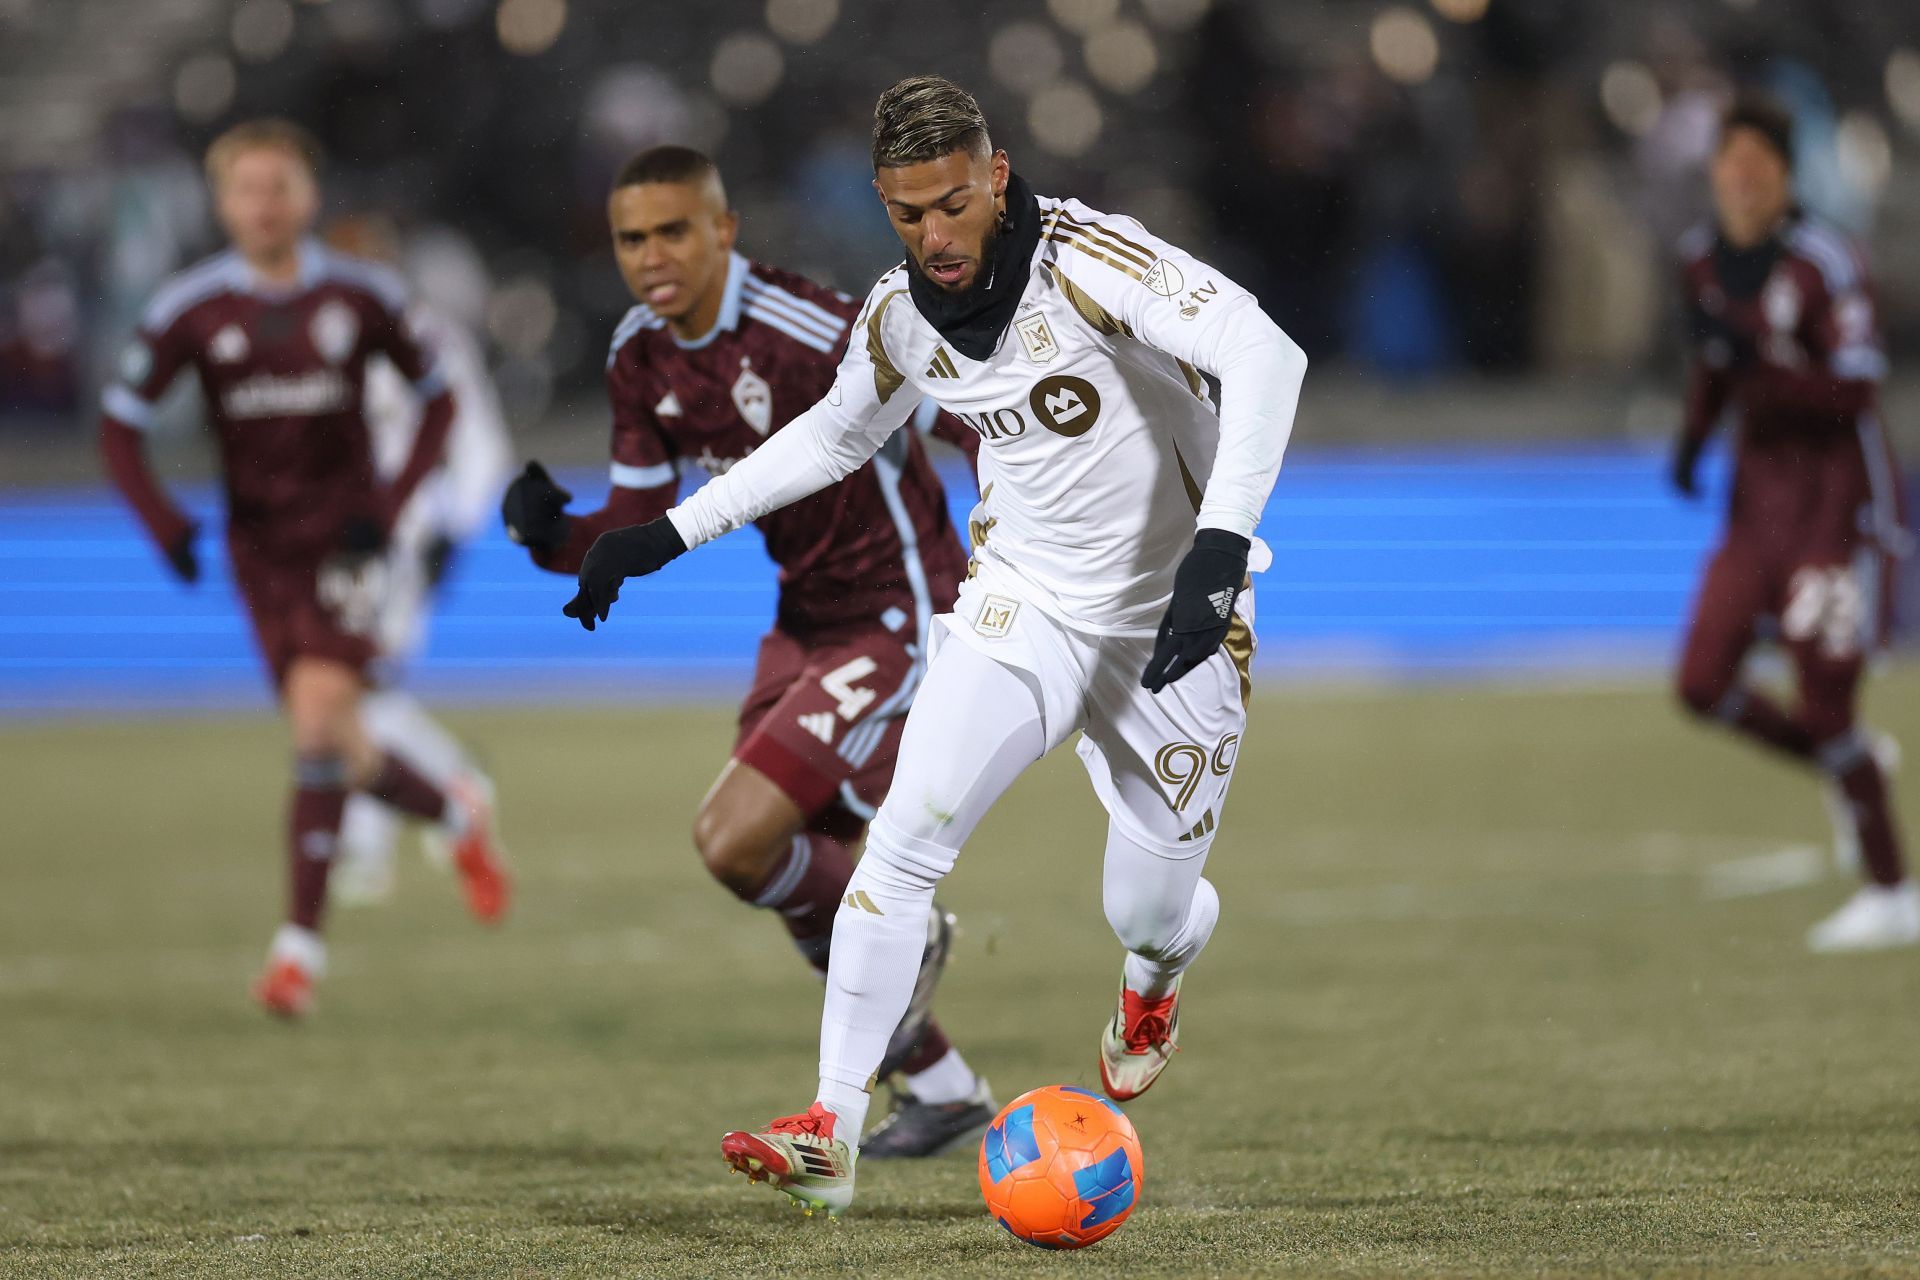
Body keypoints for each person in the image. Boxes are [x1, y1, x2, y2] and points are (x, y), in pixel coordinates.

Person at [561, 78, 1307, 1214]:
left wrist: (1219, 549)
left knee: (1147, 909)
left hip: (1176, 615)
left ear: (996, 174)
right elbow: (830, 434)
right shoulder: (900, 315)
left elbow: (1267, 356)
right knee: (905, 836)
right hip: (1023, 608)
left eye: (954, 204)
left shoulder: (1092, 260)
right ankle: (833, 1123)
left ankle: (1155, 979)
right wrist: (667, 532)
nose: (935, 236)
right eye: (909, 215)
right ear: (884, 203)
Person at [501, 145, 992, 1157]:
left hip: (905, 608)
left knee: (737, 839)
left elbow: (976, 418)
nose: (651, 256)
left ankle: (911, 969)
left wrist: (1025, 534)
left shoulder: (812, 328)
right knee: (773, 857)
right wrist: (550, 537)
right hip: (805, 620)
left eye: (674, 230)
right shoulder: (641, 354)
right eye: (632, 238)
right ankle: (942, 1083)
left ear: (724, 229)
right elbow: (637, 522)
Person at [98, 120, 512, 1019]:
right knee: (346, 744)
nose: (265, 205)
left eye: (279, 186)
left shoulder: (360, 298)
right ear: (223, 204)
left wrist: (392, 508)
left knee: (321, 724)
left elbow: (444, 403)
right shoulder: (190, 310)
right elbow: (118, 425)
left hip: (346, 546)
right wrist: (163, 520)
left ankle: (296, 954)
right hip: (260, 555)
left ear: (308, 197)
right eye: (247, 189)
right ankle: (449, 812)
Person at [1670, 94, 1912, 953]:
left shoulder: (1826, 263)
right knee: (1702, 681)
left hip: (1835, 506)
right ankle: (1851, 770)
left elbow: (1854, 389)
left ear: (1783, 174)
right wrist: (1694, 439)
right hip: (1757, 502)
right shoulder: (1701, 257)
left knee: (1827, 694)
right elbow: (1711, 365)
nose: (1739, 180)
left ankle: (1892, 890)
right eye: (1727, 164)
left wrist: (1759, 368)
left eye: (1756, 166)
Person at [324, 215, 516, 905]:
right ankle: (457, 782)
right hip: (336, 538)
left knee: (355, 688)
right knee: (357, 690)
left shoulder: (428, 338)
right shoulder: (317, 338)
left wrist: (451, 531)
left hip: (398, 536)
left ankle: (367, 852)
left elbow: (482, 444)